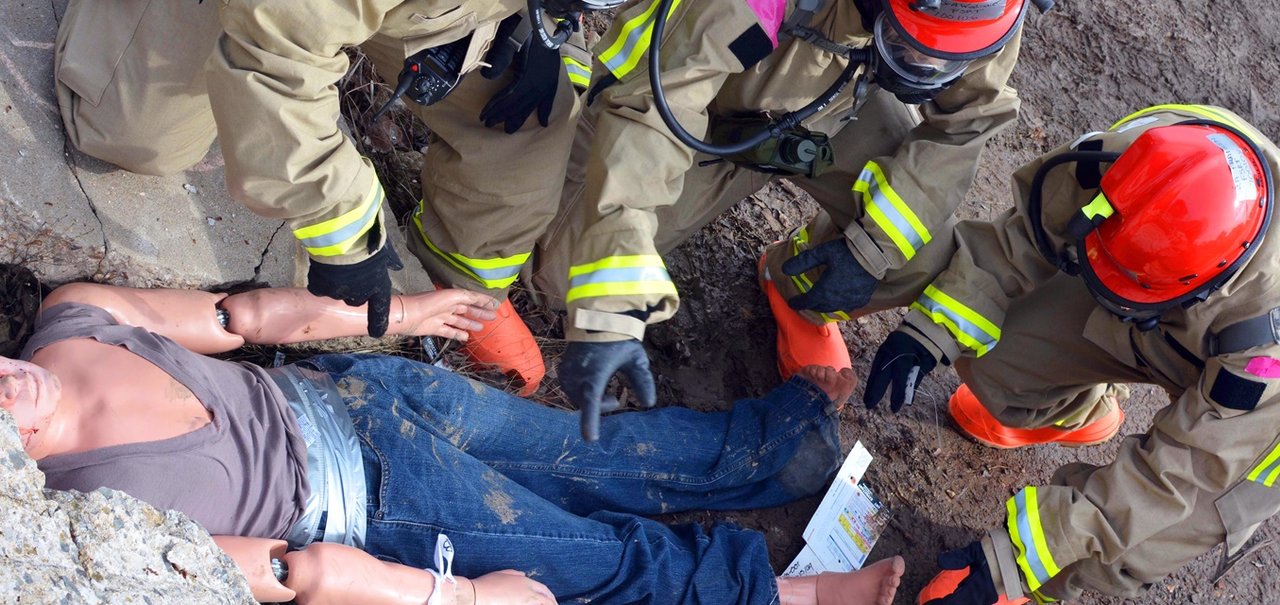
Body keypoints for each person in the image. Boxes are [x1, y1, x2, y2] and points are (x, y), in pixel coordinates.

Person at [1, 278, 905, 604]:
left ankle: (782, 442)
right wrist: (461, 598)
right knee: (599, 558)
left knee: (592, 454)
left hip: (361, 392)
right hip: (385, 506)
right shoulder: (80, 528)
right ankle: (792, 593)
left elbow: (237, 314)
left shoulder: (67, 319)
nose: (10, 387)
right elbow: (290, 570)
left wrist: (400, 314)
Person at [525, 0, 1043, 438]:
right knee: (561, 278)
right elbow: (660, 110)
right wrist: (612, 304)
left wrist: (869, 250)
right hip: (705, 106)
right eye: (908, 48)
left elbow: (967, 120)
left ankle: (793, 288)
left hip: (833, 109)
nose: (921, 66)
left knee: (915, 258)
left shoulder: (985, 13)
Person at [52, 0, 612, 397]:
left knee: (531, 130)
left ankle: (464, 292)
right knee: (133, 137)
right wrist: (343, 229)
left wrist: (546, 28)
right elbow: (281, 48)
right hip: (286, 17)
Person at [853, 104, 1280, 603]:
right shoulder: (1135, 162)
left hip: (1252, 429)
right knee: (994, 352)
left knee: (1132, 547)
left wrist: (1014, 563)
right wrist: (935, 328)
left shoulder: (1266, 345)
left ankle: (1041, 589)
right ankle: (1078, 410)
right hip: (1158, 304)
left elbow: (1184, 468)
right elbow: (1028, 232)